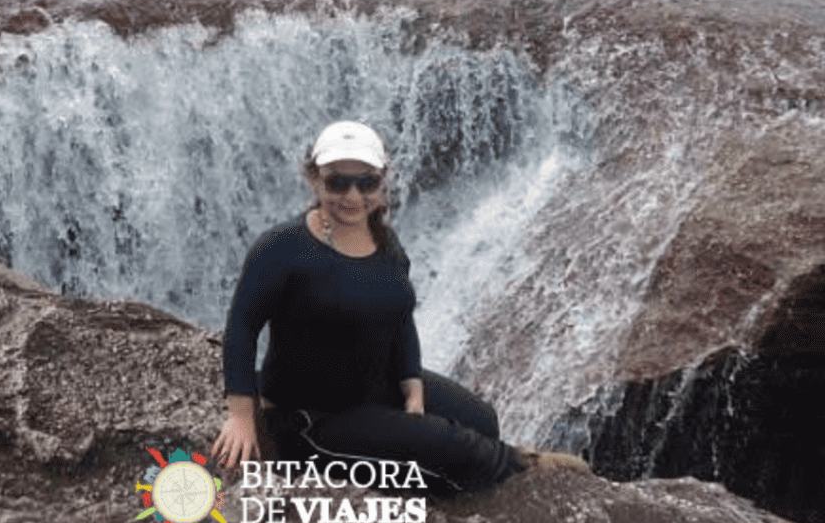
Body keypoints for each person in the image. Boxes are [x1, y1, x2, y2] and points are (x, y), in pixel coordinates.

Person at [212, 120, 586, 497]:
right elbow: (241, 329)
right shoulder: (280, 248)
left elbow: (400, 319)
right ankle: (522, 470)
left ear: (382, 180)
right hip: (311, 416)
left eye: (367, 182)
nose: (353, 196)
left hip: (377, 384)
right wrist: (242, 418)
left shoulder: (385, 243)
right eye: (337, 182)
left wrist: (412, 386)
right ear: (314, 179)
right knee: (456, 446)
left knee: (483, 419)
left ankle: (455, 455)